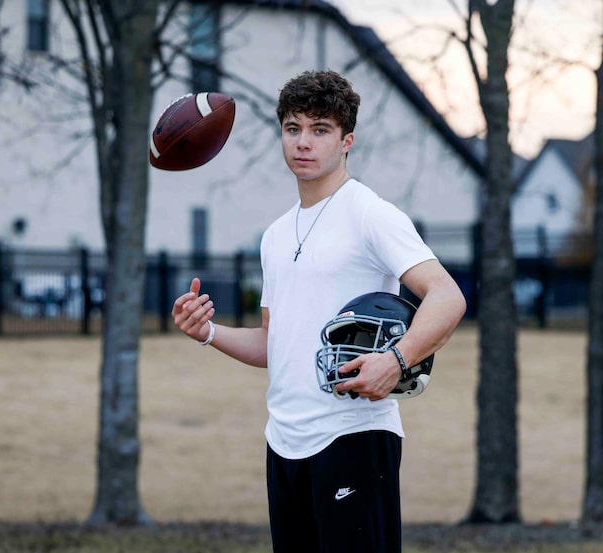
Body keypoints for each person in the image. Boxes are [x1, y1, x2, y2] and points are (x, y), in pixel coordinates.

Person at [171, 69, 466, 553]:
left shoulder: (370, 214)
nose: (303, 143)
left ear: (346, 141)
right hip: (284, 441)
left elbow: (447, 296)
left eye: (320, 130)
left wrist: (395, 361)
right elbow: (276, 343)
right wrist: (208, 332)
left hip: (353, 436)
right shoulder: (275, 235)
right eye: (293, 129)